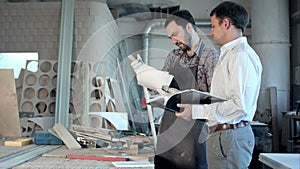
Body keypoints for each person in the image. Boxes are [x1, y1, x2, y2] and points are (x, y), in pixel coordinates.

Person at [176, 1, 263, 169]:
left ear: (226, 23)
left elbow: (238, 106)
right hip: (223, 135)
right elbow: (224, 98)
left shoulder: (240, 56)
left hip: (229, 135)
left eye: (213, 26)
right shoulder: (229, 55)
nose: (211, 32)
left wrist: (196, 111)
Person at [129, 9, 218, 169]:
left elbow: (215, 97)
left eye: (176, 34)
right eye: (170, 37)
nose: (173, 40)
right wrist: (145, 75)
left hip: (195, 129)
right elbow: (160, 86)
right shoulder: (173, 56)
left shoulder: (210, 56)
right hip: (169, 127)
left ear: (189, 27)